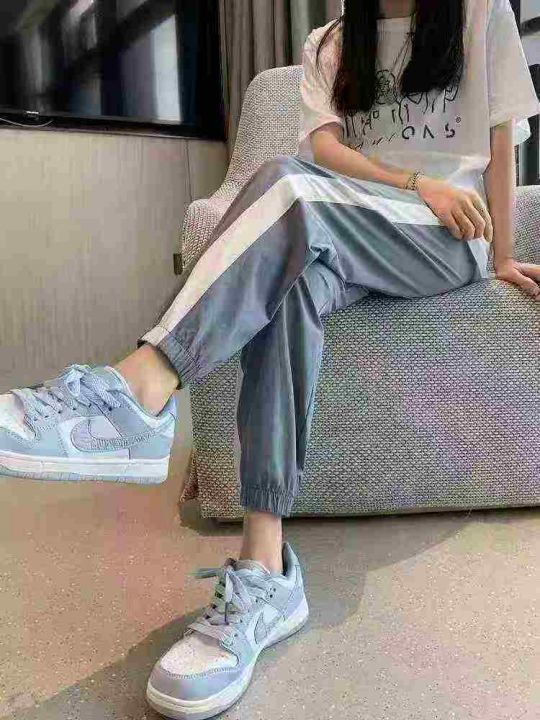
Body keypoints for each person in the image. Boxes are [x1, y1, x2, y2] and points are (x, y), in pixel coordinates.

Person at [2, 0, 540, 718]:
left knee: (284, 184)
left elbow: (502, 138)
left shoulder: (481, 14)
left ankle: (138, 393)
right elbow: (326, 153)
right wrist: (410, 180)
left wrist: (500, 254)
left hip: (447, 236)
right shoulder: (332, 40)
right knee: (288, 281)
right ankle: (265, 570)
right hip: (353, 214)